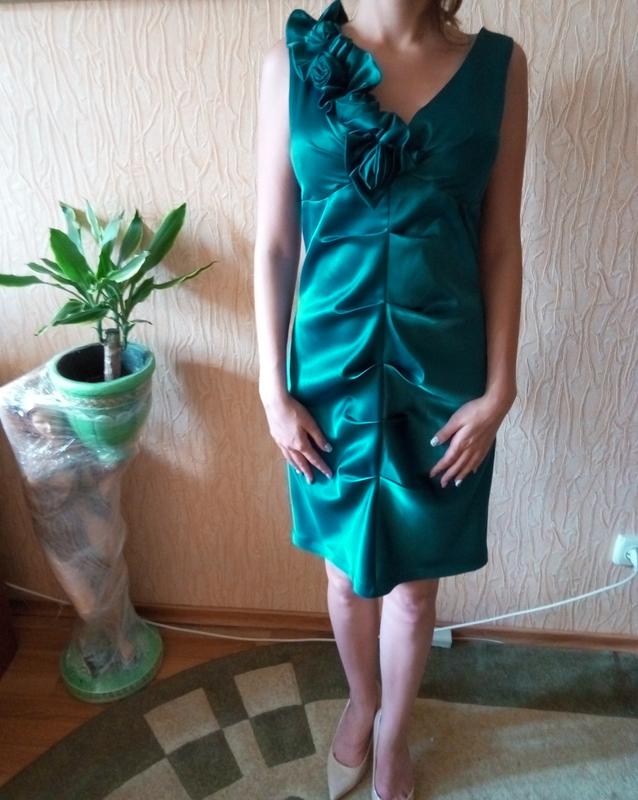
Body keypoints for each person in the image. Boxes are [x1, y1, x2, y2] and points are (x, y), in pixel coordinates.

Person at [254, 1, 527, 797]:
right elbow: (275, 244)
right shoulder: (290, 66)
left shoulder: (502, 67)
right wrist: (271, 389)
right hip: (326, 376)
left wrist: (501, 387)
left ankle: (395, 735)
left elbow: (501, 244)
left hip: (443, 375)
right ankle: (362, 701)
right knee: (344, 575)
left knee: (416, 588)